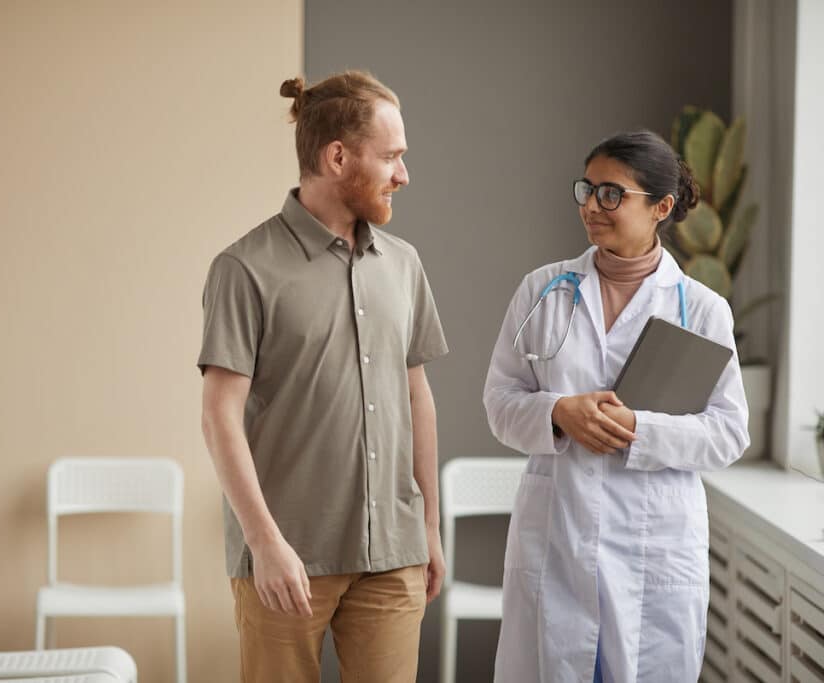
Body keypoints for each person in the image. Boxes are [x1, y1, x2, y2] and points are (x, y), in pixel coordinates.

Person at [198, 70, 449, 683]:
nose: (403, 174)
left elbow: (417, 396)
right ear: (338, 156)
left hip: (393, 551)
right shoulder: (243, 268)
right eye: (391, 156)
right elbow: (219, 417)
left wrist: (429, 531)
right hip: (286, 557)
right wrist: (263, 544)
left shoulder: (404, 265)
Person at [484, 130, 750, 682]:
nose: (590, 206)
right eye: (587, 189)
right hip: (558, 535)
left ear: (662, 207)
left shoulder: (700, 309)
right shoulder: (542, 291)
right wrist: (558, 414)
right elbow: (500, 401)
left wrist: (638, 430)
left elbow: (728, 433)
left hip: (653, 543)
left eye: (611, 194)